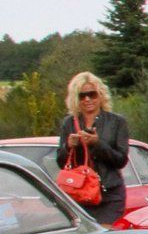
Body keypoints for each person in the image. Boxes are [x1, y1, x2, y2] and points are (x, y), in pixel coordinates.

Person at [54, 72, 129, 225]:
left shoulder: (117, 122)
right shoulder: (69, 123)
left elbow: (121, 160)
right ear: (76, 99)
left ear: (100, 95)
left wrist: (97, 143)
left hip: (109, 193)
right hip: (79, 193)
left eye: (92, 94)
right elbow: (61, 162)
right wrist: (68, 146)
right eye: (82, 96)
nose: (87, 99)